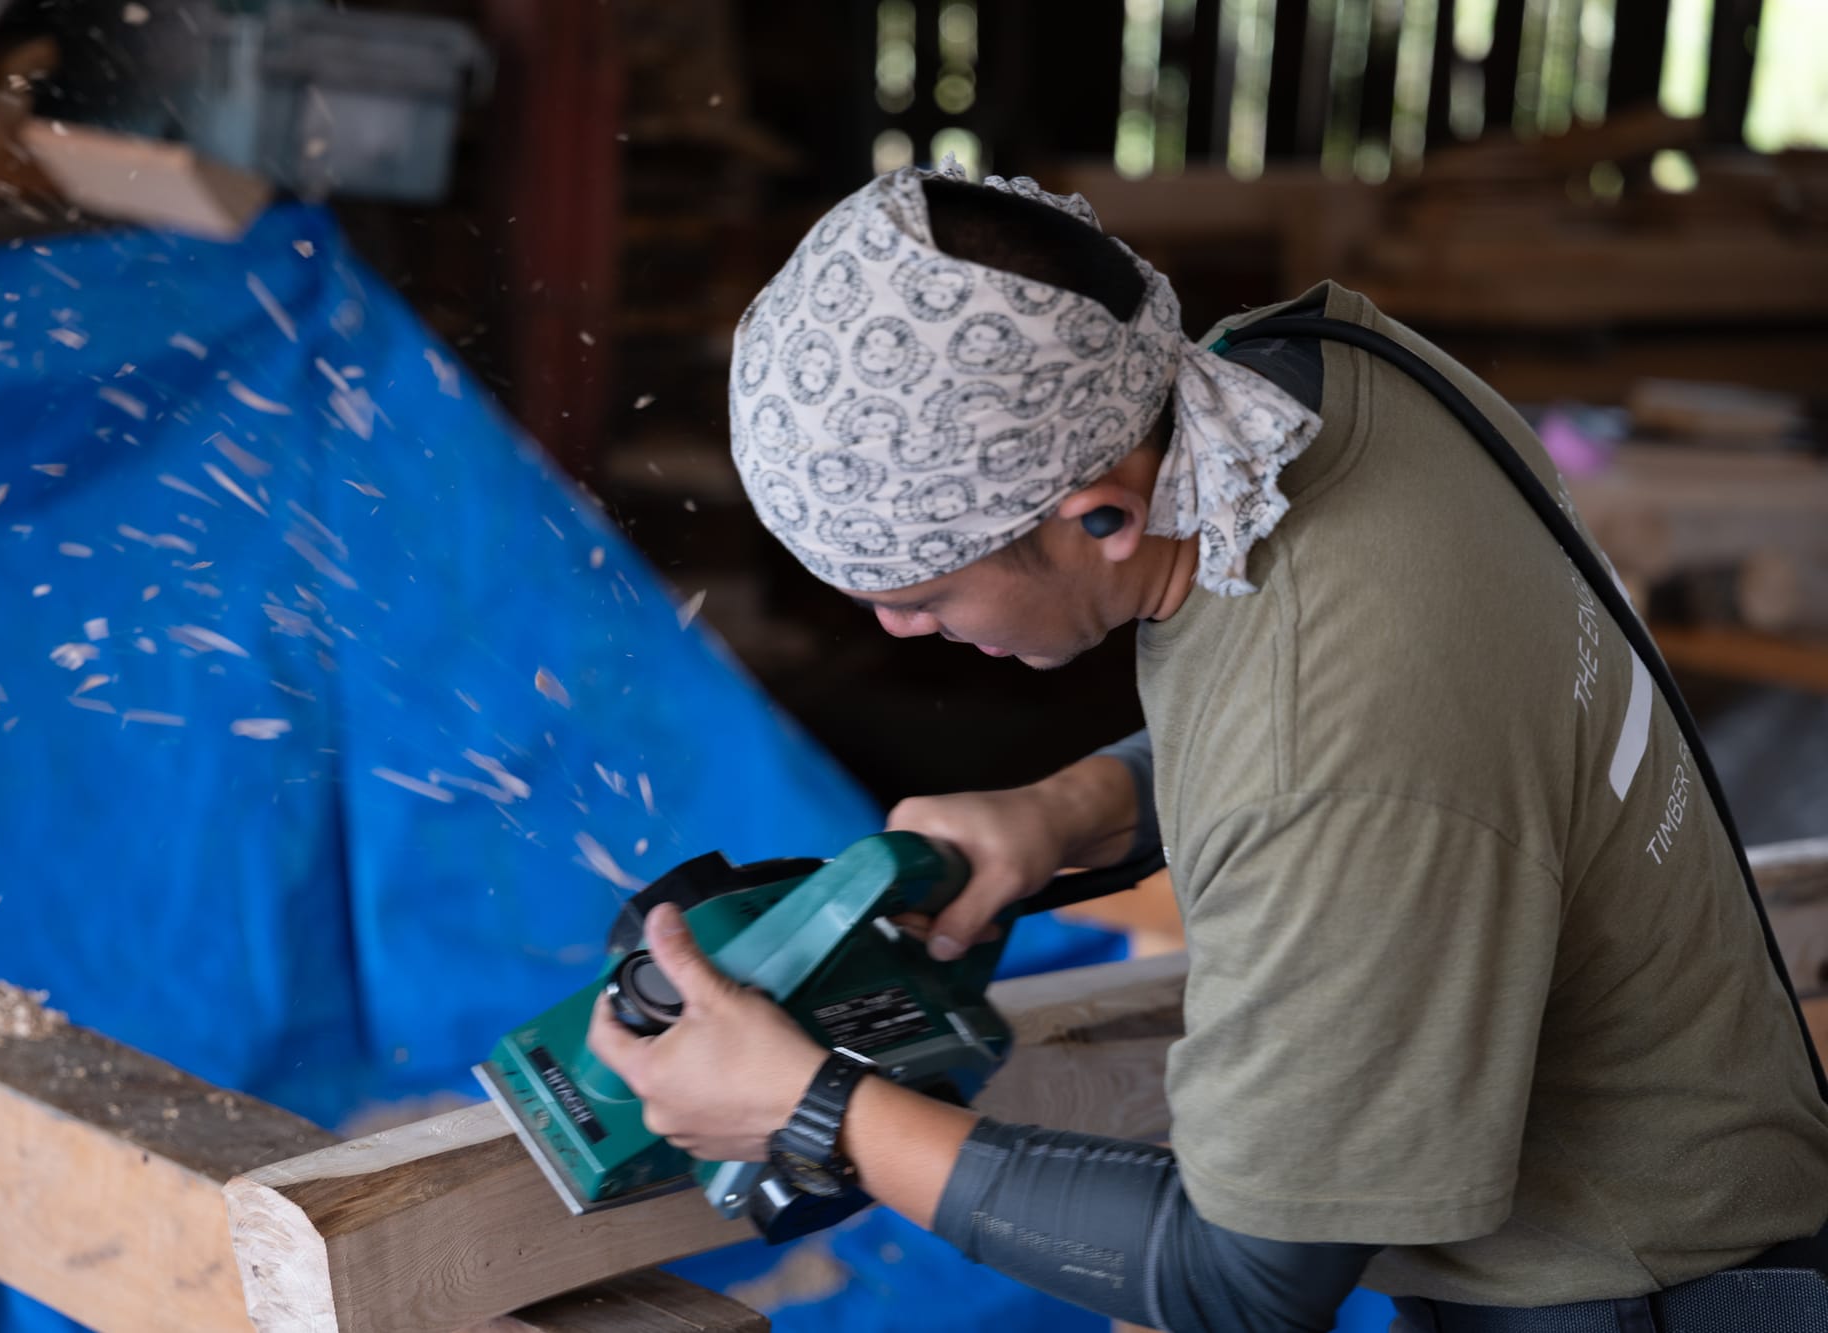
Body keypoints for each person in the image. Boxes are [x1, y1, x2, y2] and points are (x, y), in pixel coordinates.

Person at [587, 163, 1828, 1331]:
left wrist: (815, 1110)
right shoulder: (1316, 380)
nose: (893, 624)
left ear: (1103, 512)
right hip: (1728, 1183)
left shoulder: (1336, 757)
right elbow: (1341, 725)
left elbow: (1242, 1278)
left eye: (922, 591)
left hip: (1633, 1293)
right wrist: (1070, 809)